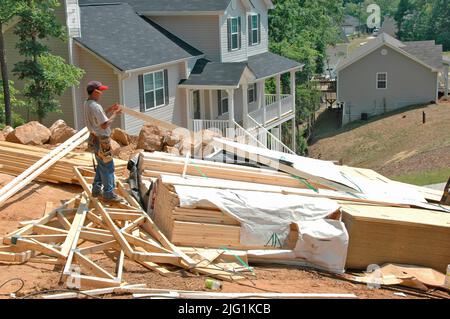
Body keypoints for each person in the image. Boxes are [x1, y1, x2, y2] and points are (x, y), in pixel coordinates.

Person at [84, 81, 123, 202]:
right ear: (95, 91)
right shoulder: (96, 106)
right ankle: (109, 193)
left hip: (94, 138)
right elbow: (105, 124)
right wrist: (115, 114)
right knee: (108, 167)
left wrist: (110, 109)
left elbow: (98, 117)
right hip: (102, 140)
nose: (101, 93)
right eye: (100, 91)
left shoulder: (87, 103)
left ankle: (96, 190)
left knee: (101, 165)